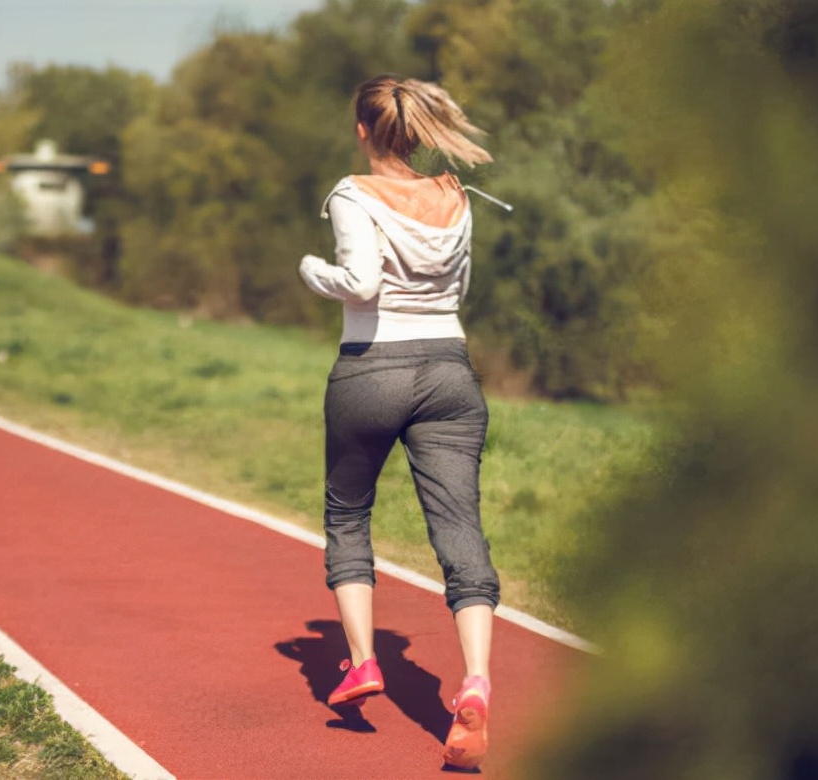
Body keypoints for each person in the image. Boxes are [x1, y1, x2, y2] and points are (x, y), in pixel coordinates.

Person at [298, 74, 500, 770]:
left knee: (348, 513)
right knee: (460, 527)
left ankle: (362, 662)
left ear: (364, 130)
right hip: (450, 369)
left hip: (372, 367)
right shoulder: (455, 194)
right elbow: (459, 287)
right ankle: (476, 679)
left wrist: (311, 270)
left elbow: (360, 283)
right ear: (416, 132)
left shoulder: (351, 194)